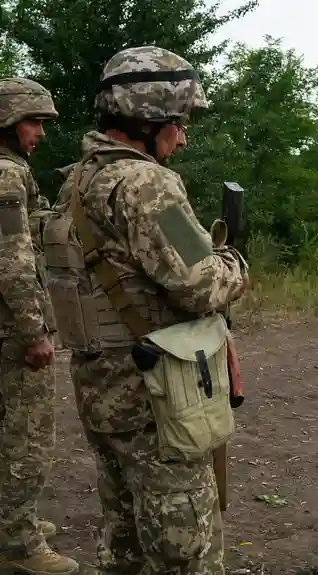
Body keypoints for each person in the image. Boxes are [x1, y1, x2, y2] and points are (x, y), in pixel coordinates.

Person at [44, 45, 249, 575]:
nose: (182, 137)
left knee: (126, 541)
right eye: (179, 123)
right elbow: (202, 283)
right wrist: (236, 263)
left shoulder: (76, 181)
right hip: (155, 396)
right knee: (185, 550)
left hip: (101, 387)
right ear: (150, 119)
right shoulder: (146, 184)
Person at [0, 78, 79, 574]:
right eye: (34, 122)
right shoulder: (7, 174)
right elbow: (11, 261)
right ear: (7, 121)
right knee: (27, 437)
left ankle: (11, 520)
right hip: (12, 330)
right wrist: (34, 332)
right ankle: (16, 544)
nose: (41, 133)